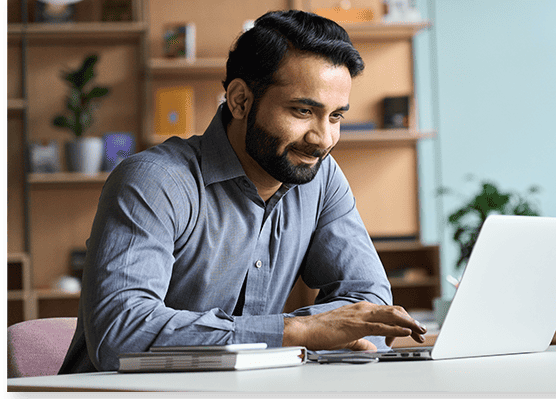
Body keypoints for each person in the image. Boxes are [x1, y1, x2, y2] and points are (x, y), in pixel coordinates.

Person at [59, 9, 426, 373]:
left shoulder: (321, 178)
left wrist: (310, 333)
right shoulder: (154, 182)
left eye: (335, 117)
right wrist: (297, 331)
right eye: (302, 111)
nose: (323, 139)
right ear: (239, 101)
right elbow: (121, 335)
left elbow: (370, 303)